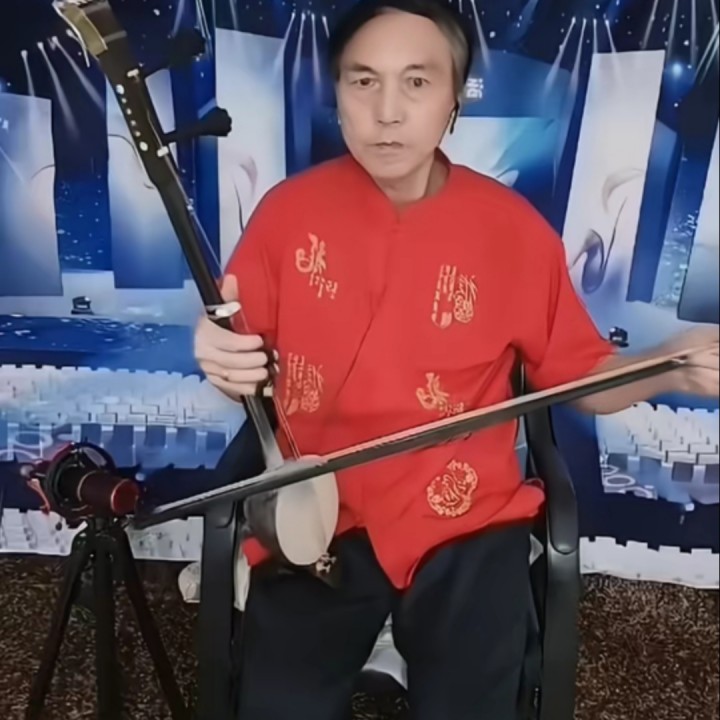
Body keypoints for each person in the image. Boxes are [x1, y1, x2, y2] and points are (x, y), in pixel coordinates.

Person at [193, 1, 720, 717]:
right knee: (279, 705)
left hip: (467, 513)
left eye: (417, 82)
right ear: (338, 95)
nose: (387, 112)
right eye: (363, 81)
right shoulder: (287, 213)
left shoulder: (514, 231)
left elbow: (579, 376)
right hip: (318, 507)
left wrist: (671, 363)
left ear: (453, 101)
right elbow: (240, 359)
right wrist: (219, 356)